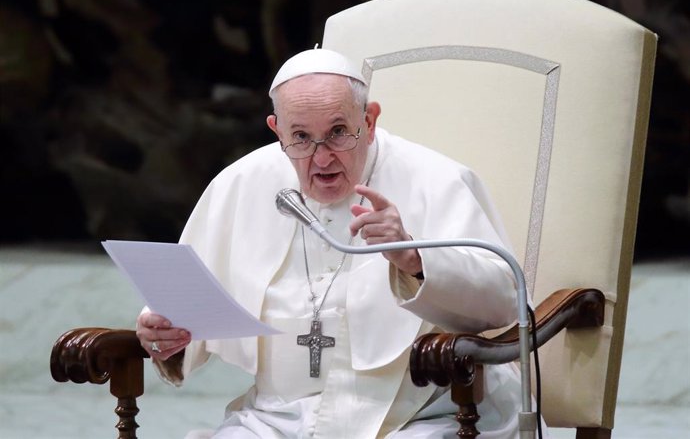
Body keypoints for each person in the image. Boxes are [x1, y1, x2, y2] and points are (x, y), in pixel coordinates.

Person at [136, 48, 544, 438]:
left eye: (337, 133)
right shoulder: (240, 184)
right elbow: (186, 304)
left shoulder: (437, 179)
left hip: (424, 414)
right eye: (300, 137)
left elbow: (505, 300)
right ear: (276, 130)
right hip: (277, 419)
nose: (322, 158)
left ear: (369, 121)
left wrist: (415, 258)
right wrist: (163, 333)